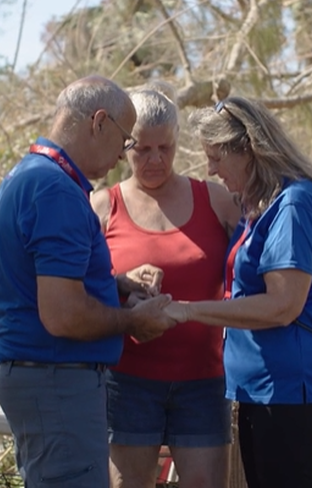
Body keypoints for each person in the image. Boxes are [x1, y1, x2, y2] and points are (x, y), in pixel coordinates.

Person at [0, 75, 178, 488]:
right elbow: (63, 314)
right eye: (126, 140)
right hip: (57, 380)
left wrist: (116, 285)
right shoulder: (55, 190)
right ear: (99, 122)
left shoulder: (28, 175)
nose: (120, 156)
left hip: (41, 376)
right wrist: (133, 320)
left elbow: (45, 282)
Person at [165, 96, 312, 488]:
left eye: (216, 157)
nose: (211, 169)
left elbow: (281, 305)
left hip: (293, 393)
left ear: (247, 149)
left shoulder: (294, 204)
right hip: (264, 391)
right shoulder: (262, 206)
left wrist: (189, 311)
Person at [91, 82, 241, 488]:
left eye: (166, 148)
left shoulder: (216, 200)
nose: (155, 159)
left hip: (203, 381)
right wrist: (121, 285)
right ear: (124, 147)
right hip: (127, 380)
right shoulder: (103, 207)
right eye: (142, 149)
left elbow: (263, 258)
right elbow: (77, 288)